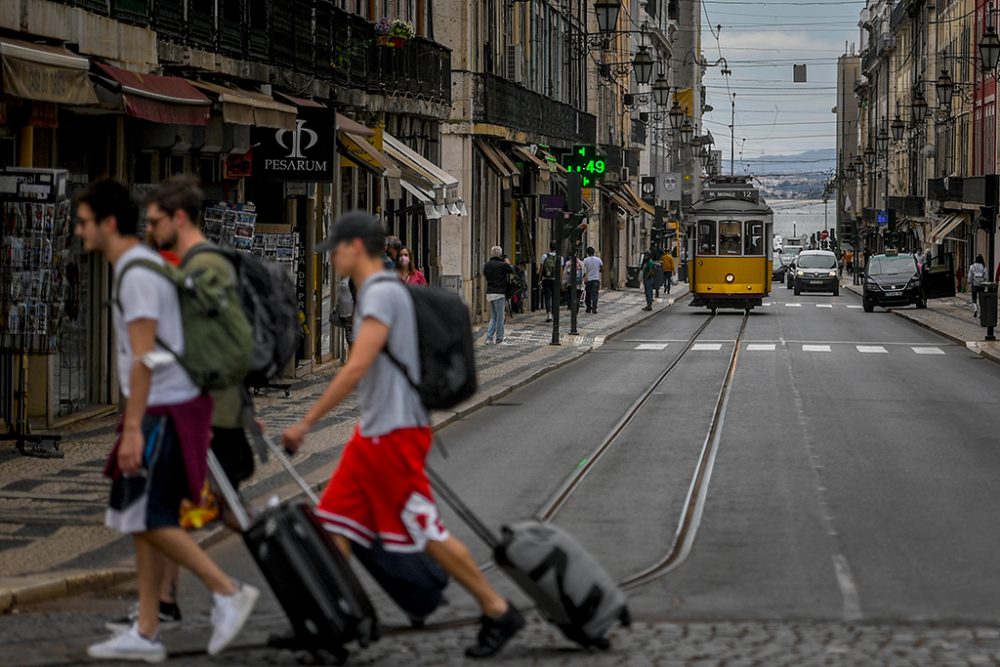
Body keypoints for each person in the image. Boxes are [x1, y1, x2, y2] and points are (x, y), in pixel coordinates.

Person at [281, 213, 524, 659]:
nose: (331, 257)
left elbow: (356, 366)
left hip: (394, 434)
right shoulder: (383, 291)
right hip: (372, 434)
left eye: (335, 248)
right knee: (334, 524)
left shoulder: (379, 294)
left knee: (422, 528)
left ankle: (497, 608)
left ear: (355, 247)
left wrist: (305, 421)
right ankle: (331, 621)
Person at [76, 180, 258, 663]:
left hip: (164, 407)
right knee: (139, 519)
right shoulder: (141, 266)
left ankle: (225, 591)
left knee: (153, 517)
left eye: (84, 222)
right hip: (168, 404)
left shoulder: (135, 273)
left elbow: (143, 358)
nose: (78, 232)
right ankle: (147, 628)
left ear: (107, 224)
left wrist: (133, 428)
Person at [483, 246, 514, 345]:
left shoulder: (487, 265)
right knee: (500, 317)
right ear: (500, 254)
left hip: (490, 293)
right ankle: (499, 338)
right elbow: (512, 270)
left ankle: (488, 338)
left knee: (494, 316)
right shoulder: (502, 265)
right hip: (499, 293)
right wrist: (507, 262)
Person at [539, 241, 559, 322]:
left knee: (547, 297)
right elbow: (560, 270)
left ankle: (549, 314)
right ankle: (554, 314)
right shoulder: (559, 257)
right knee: (555, 298)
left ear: (550, 247)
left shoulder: (544, 256)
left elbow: (541, 269)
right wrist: (560, 281)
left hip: (546, 279)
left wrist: (539, 279)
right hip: (555, 280)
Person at [582, 247, 603, 314]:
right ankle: (594, 308)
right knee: (595, 294)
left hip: (588, 279)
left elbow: (583, 270)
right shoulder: (598, 260)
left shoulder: (585, 260)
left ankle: (588, 308)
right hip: (596, 279)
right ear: (594, 252)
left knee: (588, 294)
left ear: (587, 253)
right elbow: (601, 268)